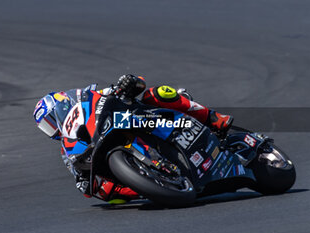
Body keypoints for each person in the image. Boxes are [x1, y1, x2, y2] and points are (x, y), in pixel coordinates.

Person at [33, 74, 233, 204]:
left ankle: (213, 119)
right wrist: (84, 183)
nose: (52, 129)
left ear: (63, 106)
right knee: (107, 194)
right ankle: (157, 184)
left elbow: (137, 82)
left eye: (50, 121)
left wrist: (128, 83)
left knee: (158, 94)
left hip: (138, 118)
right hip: (113, 150)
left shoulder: (92, 97)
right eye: (46, 127)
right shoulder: (67, 147)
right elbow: (81, 181)